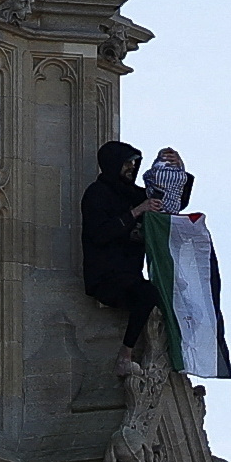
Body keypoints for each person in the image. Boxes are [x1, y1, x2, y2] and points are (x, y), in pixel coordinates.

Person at [81, 141, 192, 373]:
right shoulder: (97, 193)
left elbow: (171, 203)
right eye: (127, 163)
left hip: (129, 273)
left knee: (172, 296)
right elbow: (99, 233)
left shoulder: (134, 193)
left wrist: (179, 171)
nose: (132, 167)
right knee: (147, 294)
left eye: (134, 162)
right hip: (105, 275)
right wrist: (137, 212)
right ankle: (125, 356)